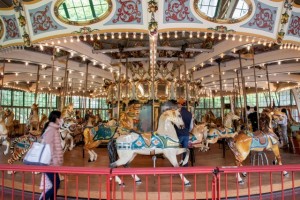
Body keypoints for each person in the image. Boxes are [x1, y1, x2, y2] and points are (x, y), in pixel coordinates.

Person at [39, 111, 64, 200]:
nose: (62, 119)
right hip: (50, 163)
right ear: (57, 119)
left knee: (56, 183)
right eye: (61, 117)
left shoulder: (55, 129)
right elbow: (48, 147)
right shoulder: (51, 130)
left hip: (53, 163)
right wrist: (55, 160)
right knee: (55, 184)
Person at [174, 99, 193, 167]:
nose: (177, 105)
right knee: (185, 149)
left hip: (178, 134)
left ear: (180, 104)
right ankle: (185, 164)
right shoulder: (189, 114)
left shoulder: (177, 113)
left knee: (175, 149)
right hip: (186, 134)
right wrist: (188, 131)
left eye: (178, 103)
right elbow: (191, 126)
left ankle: (175, 164)